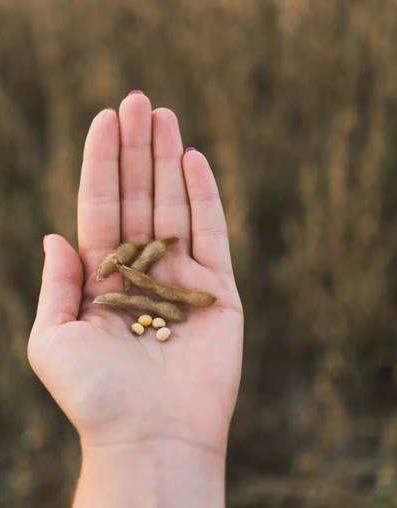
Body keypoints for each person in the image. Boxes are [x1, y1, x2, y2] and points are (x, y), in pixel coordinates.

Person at [28, 90, 245, 507]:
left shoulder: (167, 301)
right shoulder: (130, 292)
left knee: (168, 301)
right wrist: (135, 441)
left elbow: (166, 301)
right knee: (158, 299)